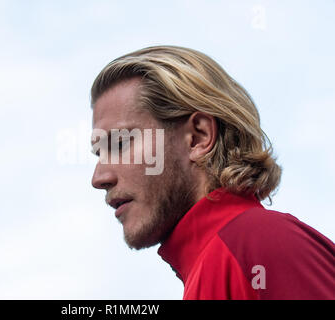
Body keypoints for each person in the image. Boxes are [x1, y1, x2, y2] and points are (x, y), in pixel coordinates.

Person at [89, 45, 335, 300]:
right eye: (99, 154)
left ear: (198, 137)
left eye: (119, 144)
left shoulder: (258, 241)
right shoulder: (213, 266)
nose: (99, 178)